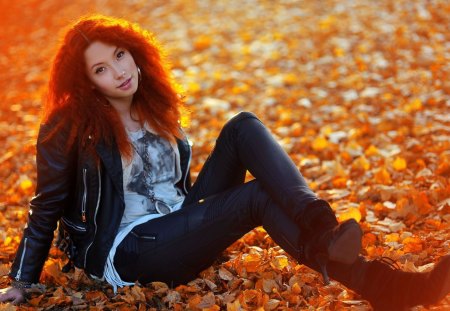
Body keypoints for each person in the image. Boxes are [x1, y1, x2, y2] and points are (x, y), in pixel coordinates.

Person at [0, 14, 448, 310]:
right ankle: (373, 277)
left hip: (177, 225)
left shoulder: (152, 103)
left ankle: (322, 226)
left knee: (243, 125)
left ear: (133, 48)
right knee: (256, 197)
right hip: (130, 253)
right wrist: (22, 281)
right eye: (100, 69)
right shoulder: (71, 127)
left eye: (119, 54)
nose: (118, 70)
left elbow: (174, 185)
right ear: (87, 83)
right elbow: (47, 204)